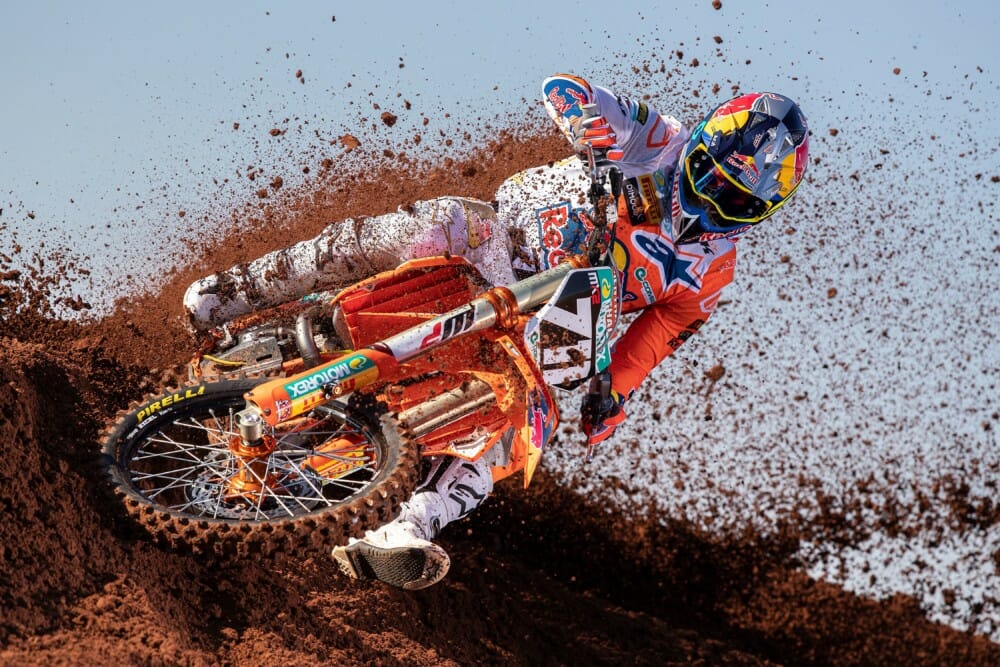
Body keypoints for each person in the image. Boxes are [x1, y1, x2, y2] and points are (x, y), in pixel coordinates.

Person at [183, 74, 809, 590]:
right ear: (700, 145)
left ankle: (405, 524)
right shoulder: (656, 137)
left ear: (762, 210)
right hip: (503, 245)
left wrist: (612, 393)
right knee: (440, 221)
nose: (713, 202)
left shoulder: (711, 273)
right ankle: (237, 291)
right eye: (713, 178)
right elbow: (566, 88)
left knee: (534, 414)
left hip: (557, 317)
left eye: (737, 201)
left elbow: (655, 337)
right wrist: (583, 121)